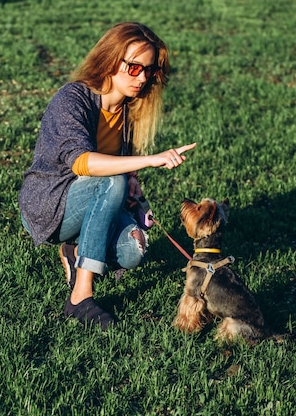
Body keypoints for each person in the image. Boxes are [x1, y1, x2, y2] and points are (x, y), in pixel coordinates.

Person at [18, 22, 197, 330]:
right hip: (51, 204)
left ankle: (75, 252)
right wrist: (149, 161)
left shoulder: (130, 110)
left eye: (149, 71)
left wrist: (134, 189)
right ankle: (80, 298)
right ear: (111, 60)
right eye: (133, 67)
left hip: (95, 197)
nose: (141, 78)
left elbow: (119, 171)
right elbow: (82, 163)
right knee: (111, 180)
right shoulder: (73, 99)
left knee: (133, 250)